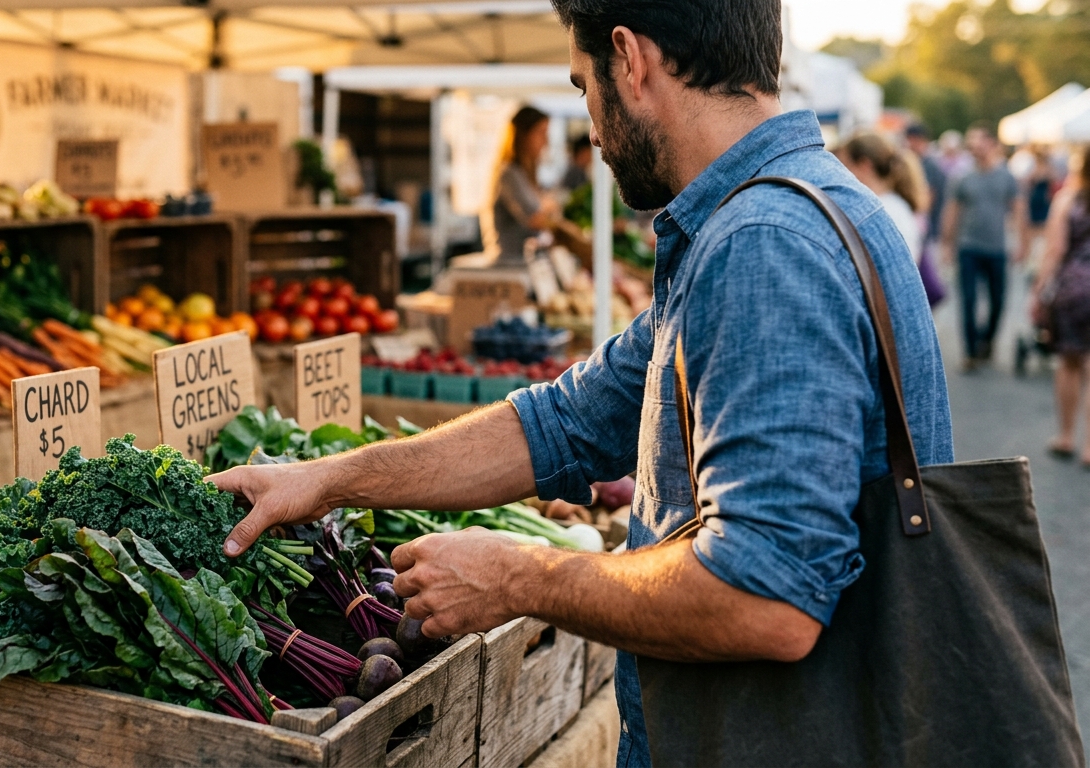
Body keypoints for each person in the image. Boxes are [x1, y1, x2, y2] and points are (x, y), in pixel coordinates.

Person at [210, 0, 951, 764]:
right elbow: (564, 422)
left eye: (581, 85)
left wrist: (521, 577)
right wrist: (327, 479)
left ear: (629, 59)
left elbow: (767, 596)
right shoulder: (760, 218)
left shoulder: (765, 244)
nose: (590, 127)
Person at [942, 121, 1023, 370]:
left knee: (998, 300)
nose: (974, 147)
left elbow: (1019, 210)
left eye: (979, 141)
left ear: (992, 144)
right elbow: (952, 211)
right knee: (968, 300)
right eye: (971, 142)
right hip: (969, 246)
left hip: (997, 248)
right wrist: (947, 243)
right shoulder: (962, 177)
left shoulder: (1007, 177)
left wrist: (1023, 243)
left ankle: (987, 341)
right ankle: (970, 351)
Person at [1032, 150, 1090, 464]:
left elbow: (1055, 249)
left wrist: (1039, 290)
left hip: (1073, 289)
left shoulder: (1068, 200)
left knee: (1068, 364)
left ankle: (1066, 436)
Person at [839, 133, 929, 262]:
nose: (840, 174)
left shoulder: (882, 210)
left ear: (864, 165)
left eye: (845, 165)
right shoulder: (891, 206)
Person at [490, 106, 560, 265]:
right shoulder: (509, 174)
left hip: (526, 263)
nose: (546, 141)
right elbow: (535, 219)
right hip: (509, 265)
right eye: (541, 133)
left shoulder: (526, 174)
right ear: (524, 135)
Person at [906, 123, 946, 244]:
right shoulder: (915, 161)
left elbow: (927, 200)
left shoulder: (929, 165)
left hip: (926, 227)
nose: (909, 145)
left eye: (912, 140)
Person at [1020, 145, 1058, 263]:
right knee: (1034, 229)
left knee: (1042, 230)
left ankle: (1037, 258)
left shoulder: (1047, 168)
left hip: (1042, 200)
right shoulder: (1036, 168)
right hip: (1037, 200)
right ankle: (1033, 259)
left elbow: (1053, 181)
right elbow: (1026, 182)